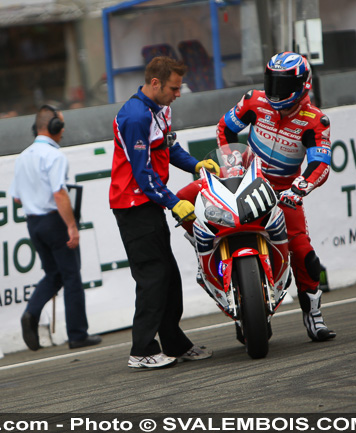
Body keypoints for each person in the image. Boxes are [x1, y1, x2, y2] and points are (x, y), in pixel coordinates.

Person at [215, 51, 336, 342]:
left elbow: (320, 164)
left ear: (302, 85)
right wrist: (231, 163)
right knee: (189, 201)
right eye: (271, 82)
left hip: (284, 193)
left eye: (281, 85)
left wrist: (299, 188)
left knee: (304, 253)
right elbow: (224, 129)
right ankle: (232, 293)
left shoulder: (316, 121)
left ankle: (313, 315)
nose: (274, 91)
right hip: (246, 183)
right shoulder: (253, 100)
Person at [109, 56, 217, 369]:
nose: (178, 93)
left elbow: (169, 148)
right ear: (155, 83)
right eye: (174, 87)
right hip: (133, 206)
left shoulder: (162, 109)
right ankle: (142, 350)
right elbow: (142, 174)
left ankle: (173, 343)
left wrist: (194, 164)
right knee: (153, 278)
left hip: (149, 203)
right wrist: (173, 201)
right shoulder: (134, 117)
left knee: (168, 278)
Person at [9, 105, 102, 351]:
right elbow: (59, 194)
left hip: (34, 223)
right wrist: (71, 226)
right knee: (71, 276)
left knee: (54, 274)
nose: (63, 130)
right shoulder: (55, 156)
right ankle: (77, 334)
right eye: (61, 125)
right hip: (54, 221)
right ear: (54, 127)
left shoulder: (22, 157)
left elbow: (17, 198)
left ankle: (31, 313)